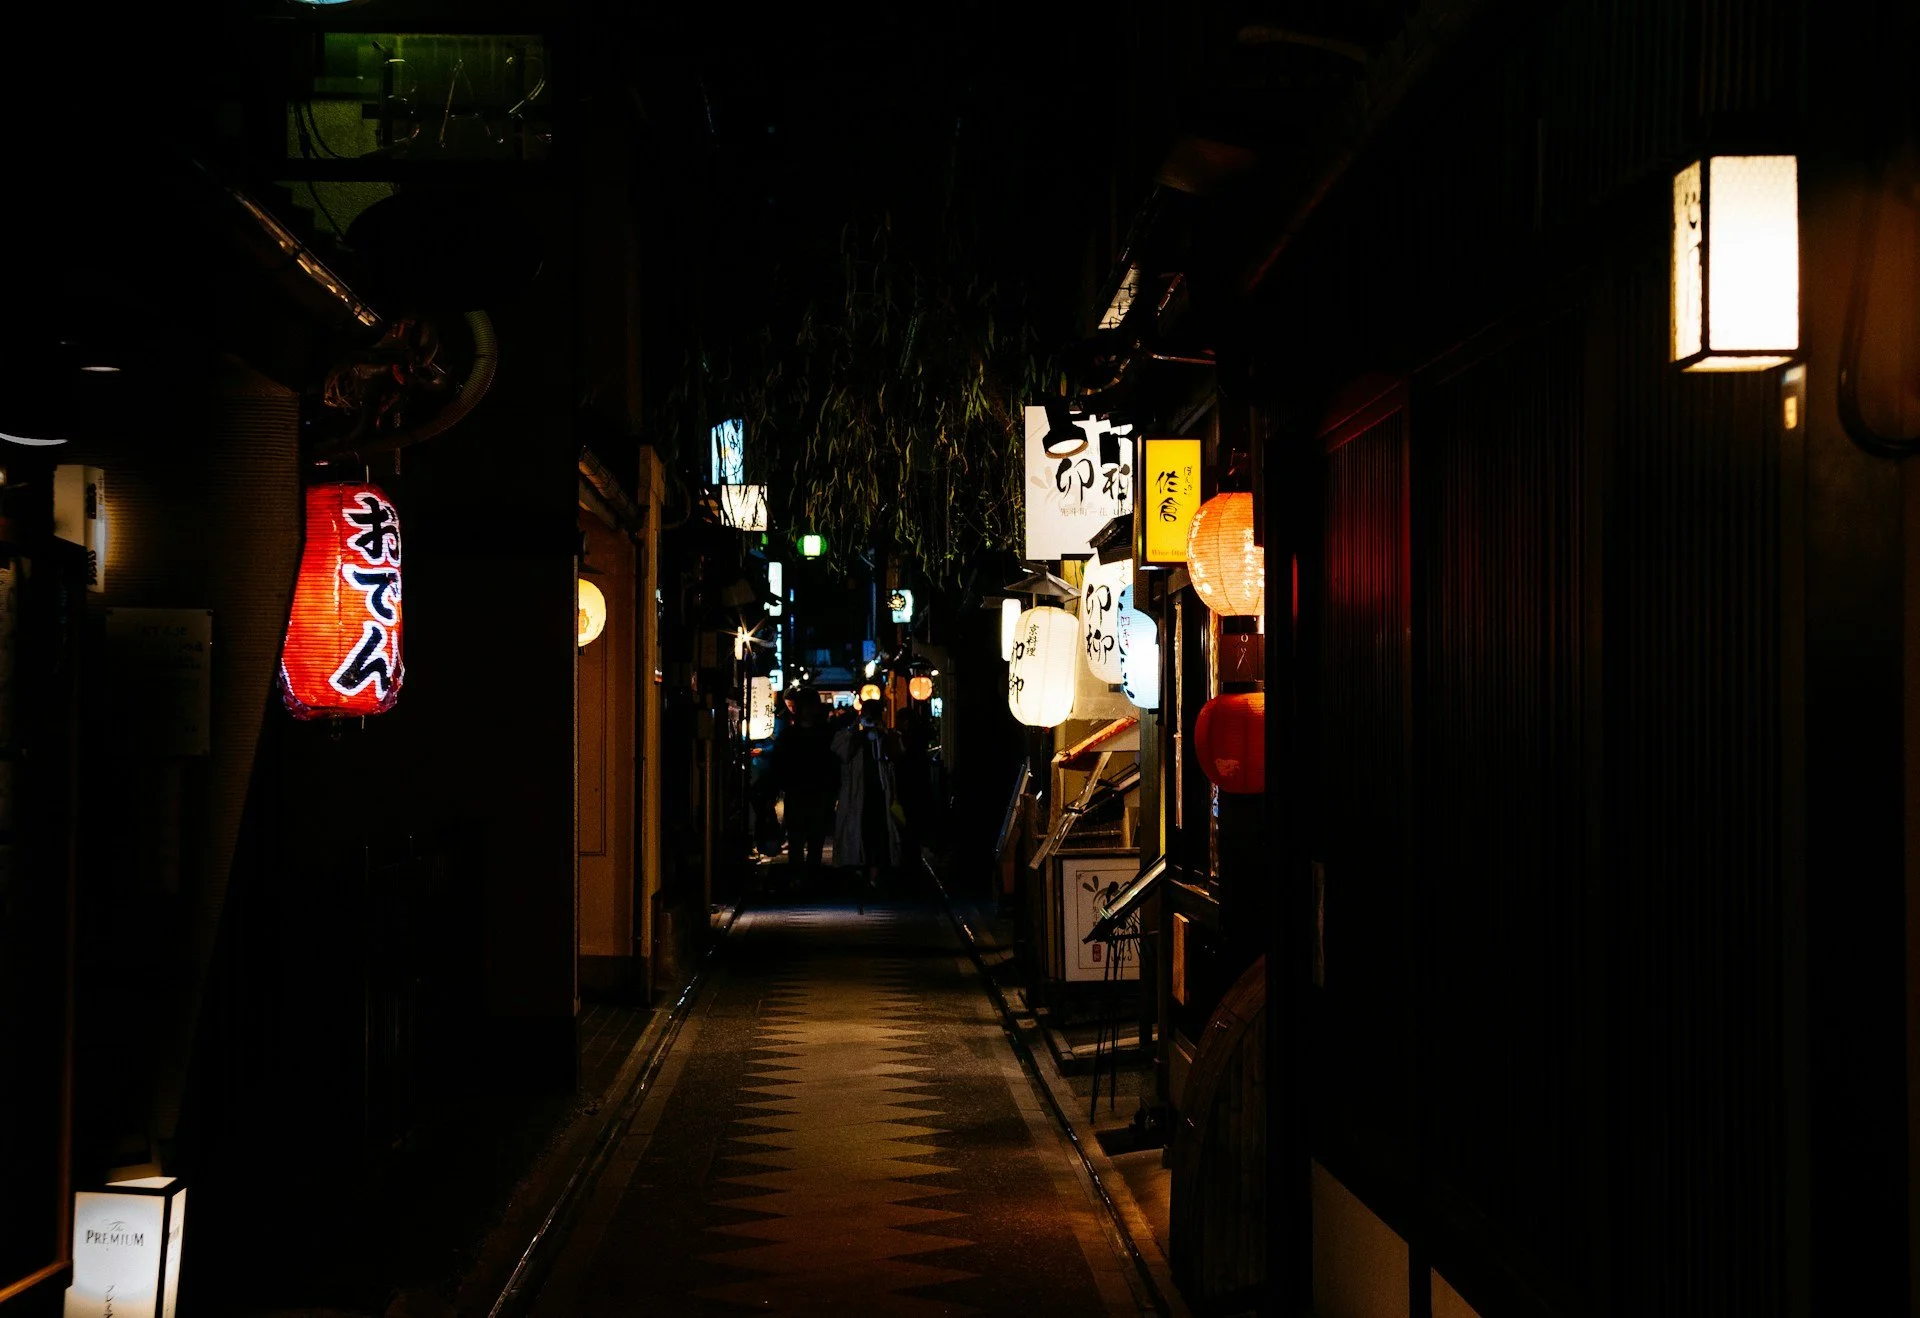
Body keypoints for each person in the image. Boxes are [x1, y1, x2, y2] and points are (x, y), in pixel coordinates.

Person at [831, 699, 902, 911]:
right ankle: (863, 874)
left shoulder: (887, 736)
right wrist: (857, 731)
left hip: (880, 794)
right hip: (858, 795)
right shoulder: (852, 736)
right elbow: (841, 752)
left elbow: (896, 755)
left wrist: (883, 734)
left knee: (880, 836)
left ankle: (874, 875)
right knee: (861, 834)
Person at [772, 688, 835, 886]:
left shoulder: (821, 735)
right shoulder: (817, 735)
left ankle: (806, 877)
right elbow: (779, 765)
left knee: (811, 840)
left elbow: (832, 766)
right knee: (799, 840)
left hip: (812, 793)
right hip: (803, 793)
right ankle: (802, 877)